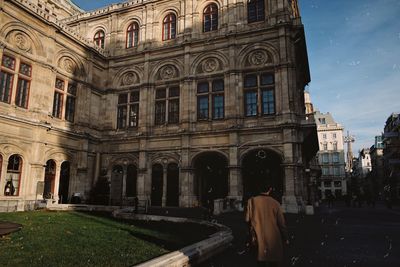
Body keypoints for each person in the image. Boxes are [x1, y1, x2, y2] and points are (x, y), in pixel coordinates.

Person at [245, 183, 289, 267]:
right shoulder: (276, 203)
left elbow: (247, 219)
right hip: (273, 239)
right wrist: (286, 237)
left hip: (258, 237)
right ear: (270, 189)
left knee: (260, 261)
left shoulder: (252, 201)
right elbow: (282, 224)